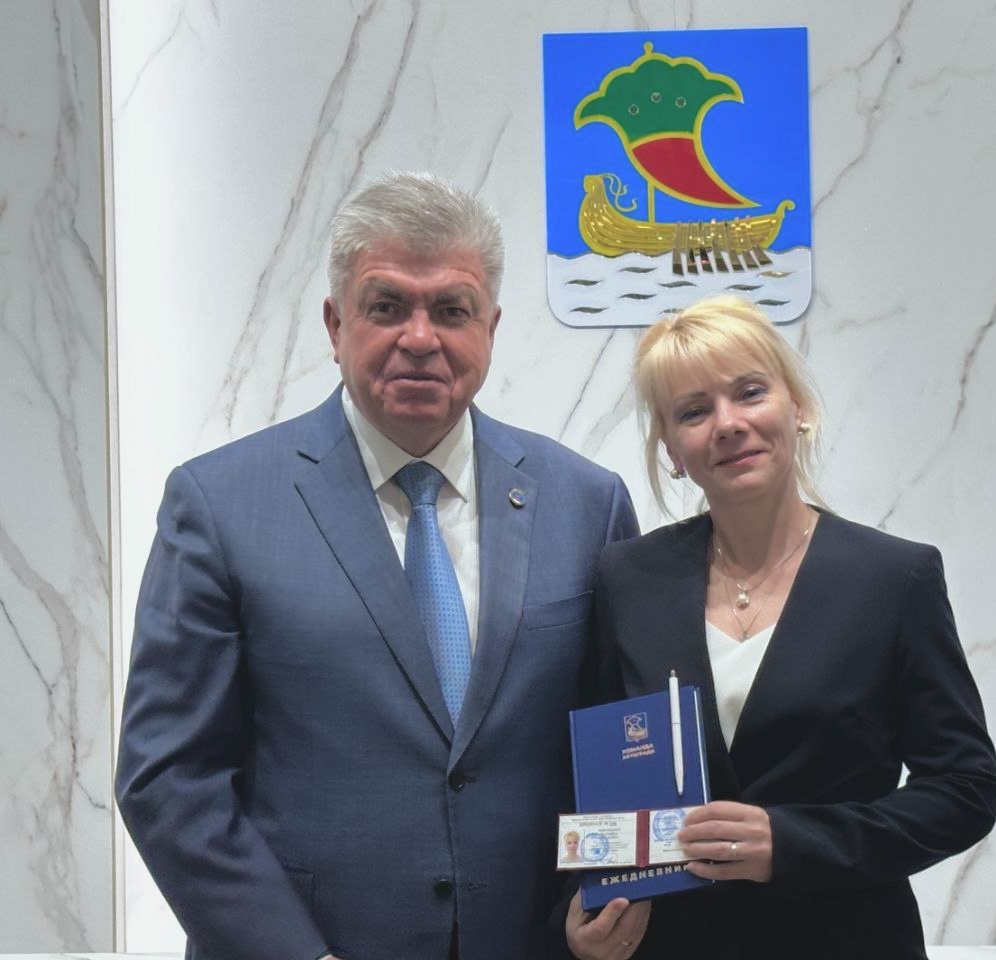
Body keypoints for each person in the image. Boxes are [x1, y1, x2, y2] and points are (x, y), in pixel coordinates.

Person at [116, 171, 638, 960]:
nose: (420, 338)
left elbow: (617, 742)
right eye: (387, 306)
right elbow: (168, 777)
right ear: (336, 324)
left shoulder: (586, 503)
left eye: (452, 310)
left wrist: (597, 898)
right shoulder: (220, 505)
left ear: (491, 327)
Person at [566, 296, 996, 959]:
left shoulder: (893, 578)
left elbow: (964, 790)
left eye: (749, 393)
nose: (728, 424)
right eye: (693, 411)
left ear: (798, 408)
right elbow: (592, 775)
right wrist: (582, 908)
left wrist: (791, 843)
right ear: (672, 450)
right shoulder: (629, 579)